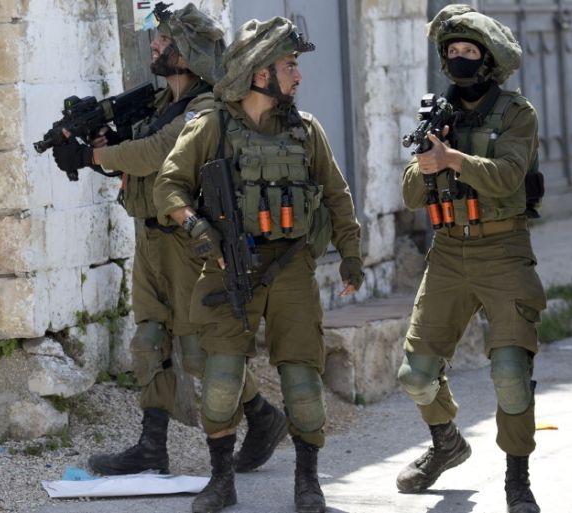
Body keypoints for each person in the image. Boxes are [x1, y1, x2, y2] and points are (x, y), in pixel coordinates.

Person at [51, 2, 286, 477]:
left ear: (190, 52)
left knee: (200, 349)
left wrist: (94, 158)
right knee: (149, 340)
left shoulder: (206, 108)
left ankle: (262, 416)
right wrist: (101, 145)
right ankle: (151, 446)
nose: (155, 46)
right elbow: (134, 158)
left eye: (166, 40)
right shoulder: (160, 105)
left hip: (191, 242)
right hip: (151, 238)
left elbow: (155, 153)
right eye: (157, 38)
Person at [154, 17, 364, 513]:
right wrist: (197, 228)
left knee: (303, 383)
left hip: (291, 266)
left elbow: (337, 196)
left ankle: (308, 482)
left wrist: (351, 256)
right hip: (228, 264)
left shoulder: (305, 130)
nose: (298, 75)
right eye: (290, 66)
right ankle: (221, 480)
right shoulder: (212, 127)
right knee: (221, 381)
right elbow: (169, 186)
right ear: (260, 73)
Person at [396, 5, 546, 513]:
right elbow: (411, 195)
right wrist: (426, 162)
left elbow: (507, 177)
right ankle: (446, 443)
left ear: (488, 59)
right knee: (415, 374)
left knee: (510, 371)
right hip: (448, 251)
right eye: (453, 50)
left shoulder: (517, 113)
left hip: (503, 249)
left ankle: (517, 479)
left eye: (469, 50)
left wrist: (453, 158)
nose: (460, 58)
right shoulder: (437, 113)